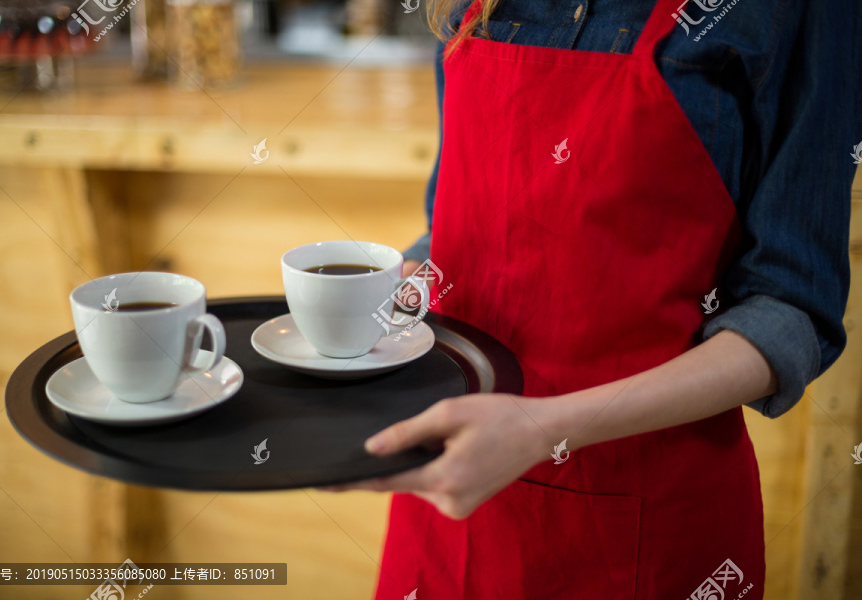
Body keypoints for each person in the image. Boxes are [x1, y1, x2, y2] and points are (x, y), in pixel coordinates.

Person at [322, 0, 861, 598]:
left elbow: (791, 308)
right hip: (450, 497)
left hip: (647, 523)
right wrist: (385, 307)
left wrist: (541, 428)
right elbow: (452, 228)